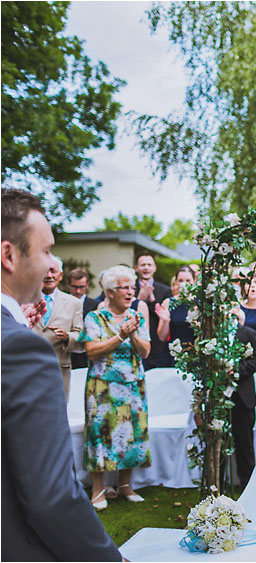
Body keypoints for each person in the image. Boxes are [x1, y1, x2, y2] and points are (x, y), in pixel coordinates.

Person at [1, 188, 122, 560]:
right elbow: (52, 499)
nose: (53, 264)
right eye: (46, 250)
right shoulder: (22, 350)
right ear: (8, 255)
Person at [80, 265, 152, 509]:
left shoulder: (137, 317)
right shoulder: (94, 318)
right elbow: (92, 351)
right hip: (102, 385)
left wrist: (132, 335)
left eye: (133, 287)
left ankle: (125, 485)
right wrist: (120, 335)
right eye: (125, 288)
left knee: (133, 433)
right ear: (110, 292)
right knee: (99, 433)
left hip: (133, 382)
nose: (131, 292)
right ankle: (98, 489)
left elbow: (145, 351)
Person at [32, 255, 84, 400]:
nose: (49, 275)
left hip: (58, 371)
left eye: (53, 271)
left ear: (60, 276)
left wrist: (68, 337)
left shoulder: (74, 303)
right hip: (29, 369)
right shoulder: (24, 300)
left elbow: (81, 340)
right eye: (45, 271)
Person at [230, 305, 256, 486]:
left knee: (245, 443)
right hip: (221, 396)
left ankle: (247, 483)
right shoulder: (212, 335)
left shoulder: (248, 333)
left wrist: (234, 370)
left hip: (243, 396)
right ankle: (221, 482)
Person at [134, 253, 172, 369]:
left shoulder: (165, 290)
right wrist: (139, 299)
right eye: (143, 265)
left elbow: (166, 318)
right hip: (136, 341)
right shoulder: (131, 288)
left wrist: (152, 300)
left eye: (149, 265)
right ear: (136, 268)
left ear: (154, 268)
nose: (146, 268)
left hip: (157, 343)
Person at [155, 265, 197, 367]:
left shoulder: (199, 303)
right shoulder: (169, 302)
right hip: (173, 353)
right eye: (181, 280)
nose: (184, 284)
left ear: (194, 281)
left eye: (188, 280)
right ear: (176, 282)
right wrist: (165, 320)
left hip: (194, 353)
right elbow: (162, 337)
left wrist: (196, 325)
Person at [68, 268, 100, 369]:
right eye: (75, 287)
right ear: (69, 284)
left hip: (87, 358)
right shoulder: (62, 303)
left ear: (87, 285)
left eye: (81, 287)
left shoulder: (95, 305)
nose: (78, 291)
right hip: (67, 355)